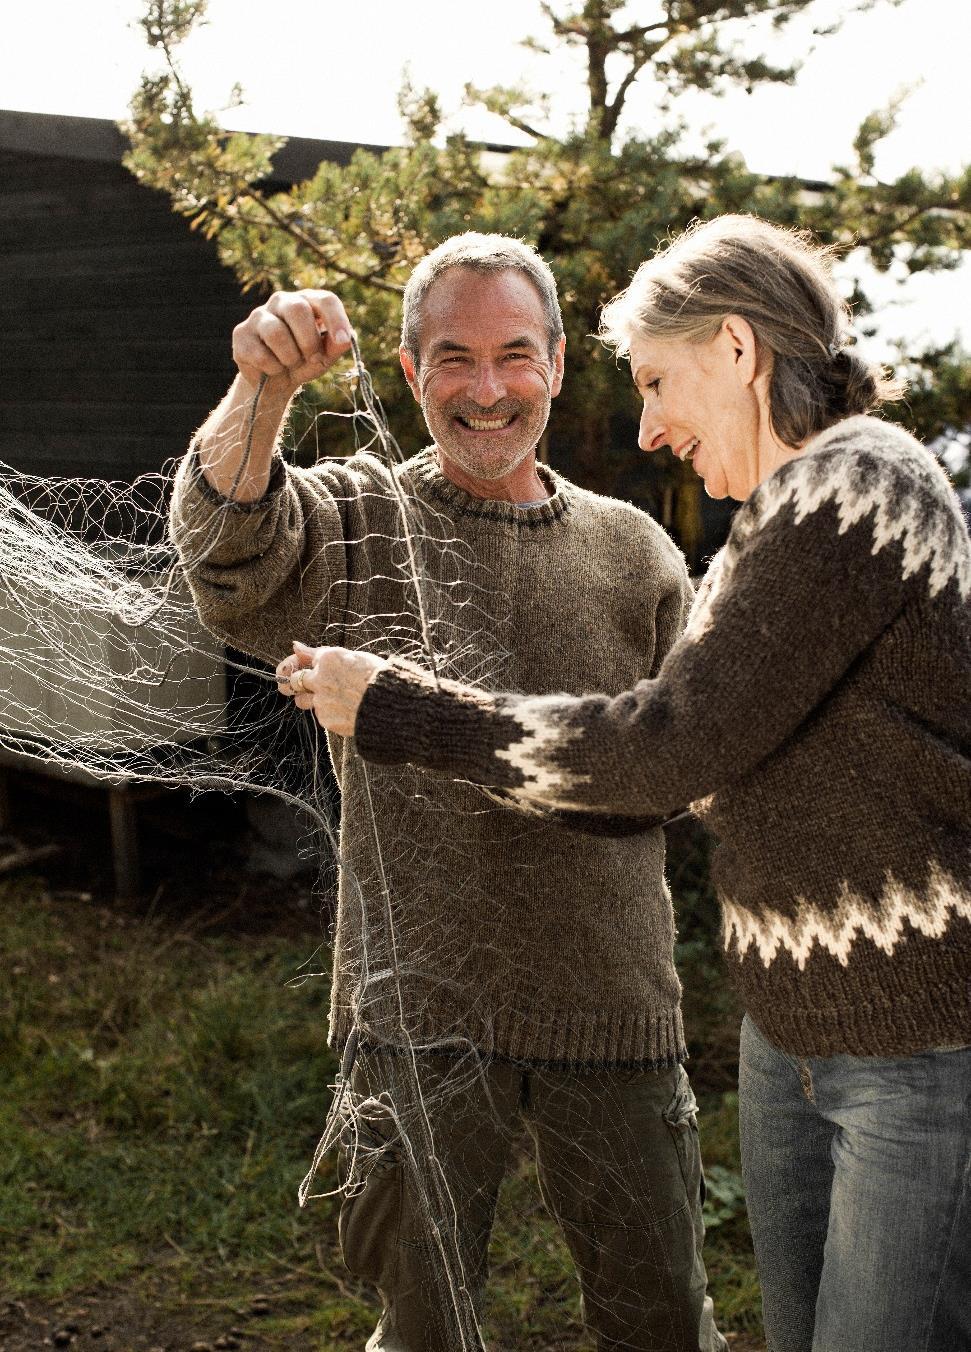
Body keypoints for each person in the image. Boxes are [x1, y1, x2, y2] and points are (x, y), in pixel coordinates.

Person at [283, 215, 971, 1352]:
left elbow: (660, 749)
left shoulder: (856, 487)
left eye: (657, 381)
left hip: (907, 1043)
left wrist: (398, 707)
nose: (648, 427)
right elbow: (704, 761)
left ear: (739, 353)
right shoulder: (771, 526)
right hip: (797, 1034)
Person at [171, 233, 726, 1352]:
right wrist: (260, 386)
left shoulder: (637, 551)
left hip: (612, 1004)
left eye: (513, 355)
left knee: (660, 1321)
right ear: (411, 369)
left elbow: (682, 767)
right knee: (420, 1329)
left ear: (559, 364)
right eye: (452, 359)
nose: (485, 390)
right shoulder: (357, 518)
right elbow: (227, 555)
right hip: (415, 1020)